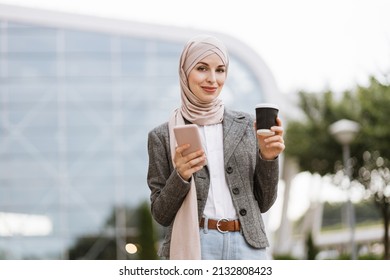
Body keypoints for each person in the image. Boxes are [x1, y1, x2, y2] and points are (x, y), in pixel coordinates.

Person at [147, 35, 285, 260]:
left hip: (248, 246)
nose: (212, 79)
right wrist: (180, 175)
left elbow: (265, 202)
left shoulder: (247, 126)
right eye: (202, 68)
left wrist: (268, 158)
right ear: (185, 72)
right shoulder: (162, 136)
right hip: (197, 246)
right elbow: (161, 214)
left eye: (220, 70)